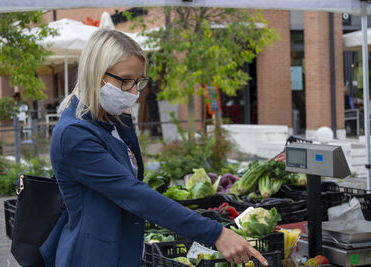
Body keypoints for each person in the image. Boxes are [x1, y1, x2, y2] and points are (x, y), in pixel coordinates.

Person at [41, 29, 268, 267]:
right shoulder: (74, 134)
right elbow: (133, 193)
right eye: (126, 80)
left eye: (138, 82)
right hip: (93, 256)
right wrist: (215, 233)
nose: (133, 92)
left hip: (121, 250)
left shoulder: (110, 121)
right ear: (96, 75)